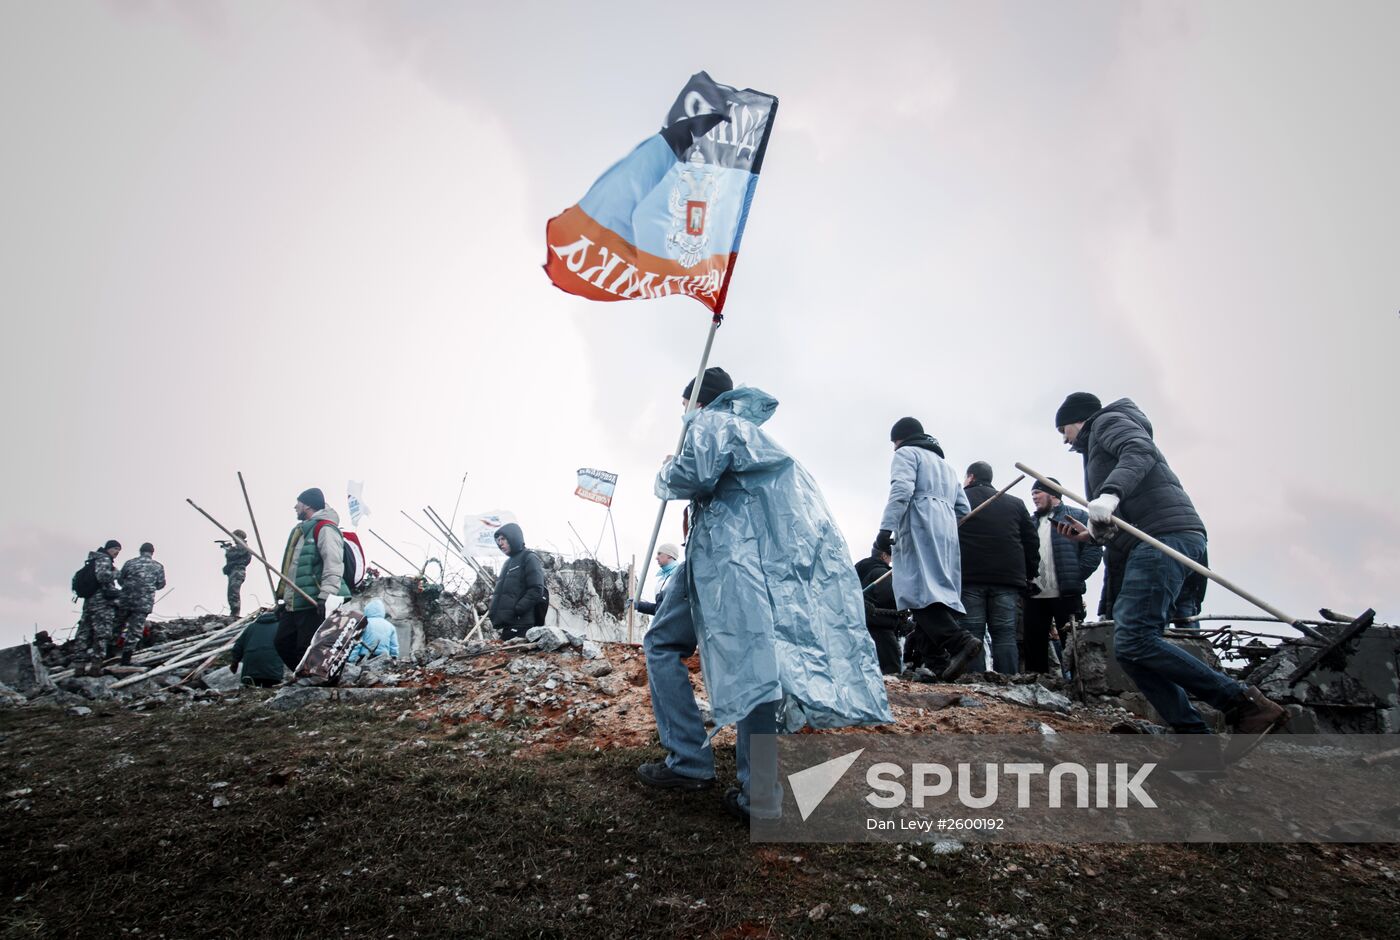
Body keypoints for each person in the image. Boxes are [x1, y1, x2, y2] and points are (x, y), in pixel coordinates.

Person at [639, 367, 891, 823]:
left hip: (724, 561)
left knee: (663, 644)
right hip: (748, 564)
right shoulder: (754, 436)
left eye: (684, 406)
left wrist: (665, 468)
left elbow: (692, 476)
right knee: (759, 664)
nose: (683, 416)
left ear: (697, 400)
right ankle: (759, 793)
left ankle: (690, 763)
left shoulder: (713, 423)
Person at [1052, 392, 1285, 735]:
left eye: (1063, 430)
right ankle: (1194, 739)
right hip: (1153, 539)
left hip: (1164, 537)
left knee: (1135, 638)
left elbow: (1139, 451)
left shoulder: (1108, 422)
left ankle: (1243, 704)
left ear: (1077, 420)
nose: (1064, 440)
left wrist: (1110, 493)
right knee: (1130, 650)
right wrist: (1093, 534)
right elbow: (1125, 518)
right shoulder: (1096, 444)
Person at [877, 418, 984, 681]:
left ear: (900, 439)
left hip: (918, 524)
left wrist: (884, 530)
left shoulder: (906, 453)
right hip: (946, 529)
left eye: (894, 443)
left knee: (917, 592)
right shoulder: (947, 466)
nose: (894, 448)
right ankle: (940, 664)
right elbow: (964, 509)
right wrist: (943, 516)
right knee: (936, 591)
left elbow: (901, 489)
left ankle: (960, 642)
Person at [956, 461, 1039, 674]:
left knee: (972, 632)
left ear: (971, 477)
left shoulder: (959, 500)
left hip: (970, 577)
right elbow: (1031, 542)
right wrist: (1030, 574)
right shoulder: (1015, 504)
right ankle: (1008, 681)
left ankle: (976, 681)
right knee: (1005, 634)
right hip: (1007, 579)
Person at [1026, 478, 1102, 674]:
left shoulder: (1076, 516)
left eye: (1038, 492)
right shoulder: (1030, 522)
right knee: (1034, 647)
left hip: (1067, 594)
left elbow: (1094, 550)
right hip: (1035, 596)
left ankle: (1080, 688)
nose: (1033, 496)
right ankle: (1038, 688)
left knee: (1074, 645)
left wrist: (1076, 576)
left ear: (1054, 494)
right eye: (1032, 493)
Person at [273, 487, 350, 670]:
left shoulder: (325, 529)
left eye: (298, 503)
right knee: (282, 642)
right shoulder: (300, 532)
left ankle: (310, 683)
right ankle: (303, 677)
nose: (295, 507)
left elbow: (334, 563)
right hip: (296, 602)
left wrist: (327, 595)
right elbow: (294, 570)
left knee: (305, 647)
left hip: (313, 599)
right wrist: (285, 598)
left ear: (307, 505)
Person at [488, 523, 546, 641]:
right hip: (508, 625)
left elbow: (536, 589)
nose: (500, 543)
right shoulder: (507, 563)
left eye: (503, 539)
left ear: (513, 537)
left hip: (522, 625)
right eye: (498, 540)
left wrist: (517, 609)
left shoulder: (529, 557)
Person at [855, 545, 905, 675]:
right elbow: (889, 599)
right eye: (890, 558)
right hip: (880, 628)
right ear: (883, 555)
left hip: (860, 626)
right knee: (891, 670)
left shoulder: (856, 572)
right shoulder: (881, 573)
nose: (890, 561)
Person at [114, 543, 167, 664]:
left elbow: (120, 579)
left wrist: (128, 587)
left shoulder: (130, 563)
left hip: (125, 600)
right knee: (135, 630)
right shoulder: (158, 566)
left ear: (140, 551)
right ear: (152, 552)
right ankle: (125, 659)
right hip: (143, 603)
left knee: (117, 625)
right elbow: (161, 584)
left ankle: (108, 653)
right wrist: (148, 587)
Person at [75, 540, 122, 676]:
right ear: (108, 549)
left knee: (84, 632)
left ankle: (79, 666)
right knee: (102, 633)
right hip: (102, 603)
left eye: (118, 550)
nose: (117, 552)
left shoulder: (93, 560)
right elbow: (102, 577)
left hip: (89, 602)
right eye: (115, 549)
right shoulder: (104, 560)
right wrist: (117, 574)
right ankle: (95, 666)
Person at [229, 611, 285, 687]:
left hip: (250, 673)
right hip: (273, 673)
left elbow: (238, 646)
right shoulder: (280, 626)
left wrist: (234, 663)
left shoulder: (251, 627)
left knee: (251, 689)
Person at [634, 543, 681, 616]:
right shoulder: (663, 579)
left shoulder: (679, 575)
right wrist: (639, 605)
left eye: (659, 554)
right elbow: (659, 610)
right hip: (664, 624)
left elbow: (672, 611)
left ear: (669, 555)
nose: (656, 557)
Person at [348, 598, 399, 662]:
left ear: (367, 610)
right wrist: (394, 657)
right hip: (383, 657)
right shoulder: (390, 626)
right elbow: (394, 645)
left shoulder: (364, 623)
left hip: (365, 657)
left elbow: (357, 642)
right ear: (382, 611)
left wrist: (351, 659)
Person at [222, 531, 252, 618]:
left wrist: (229, 550)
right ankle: (234, 612)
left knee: (233, 591)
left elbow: (233, 555)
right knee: (231, 591)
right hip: (235, 571)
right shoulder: (239, 547)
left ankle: (235, 612)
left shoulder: (243, 546)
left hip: (238, 571)